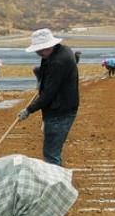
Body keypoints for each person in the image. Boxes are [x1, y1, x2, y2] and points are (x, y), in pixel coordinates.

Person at [18, 28, 79, 166]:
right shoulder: (62, 50)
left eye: (39, 50)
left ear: (47, 46)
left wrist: (28, 110)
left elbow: (48, 95)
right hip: (63, 107)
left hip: (59, 112)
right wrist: (42, 75)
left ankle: (56, 179)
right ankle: (57, 176)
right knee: (53, 153)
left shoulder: (57, 62)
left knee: (51, 155)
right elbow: (68, 65)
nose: (37, 53)